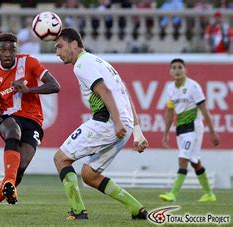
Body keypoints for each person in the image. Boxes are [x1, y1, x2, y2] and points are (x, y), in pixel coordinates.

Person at [53, 28, 149, 220]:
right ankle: (137, 210)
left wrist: (116, 122)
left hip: (107, 122)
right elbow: (125, 96)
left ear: (74, 44)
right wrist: (137, 132)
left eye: (60, 46)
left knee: (61, 158)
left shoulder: (81, 64)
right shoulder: (101, 62)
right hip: (124, 126)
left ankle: (78, 211)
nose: (57, 52)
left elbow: (105, 91)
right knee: (90, 175)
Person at [0, 32, 60, 216]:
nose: (8, 54)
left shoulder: (29, 62)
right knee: (13, 131)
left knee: (20, 169)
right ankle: (9, 181)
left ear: (16, 50)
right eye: (3, 50)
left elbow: (55, 85)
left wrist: (29, 90)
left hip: (33, 121)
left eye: (11, 50)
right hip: (8, 118)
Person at [159, 58, 220, 203]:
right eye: (174, 67)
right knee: (195, 161)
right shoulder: (170, 88)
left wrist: (213, 132)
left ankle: (172, 194)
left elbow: (205, 111)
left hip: (193, 128)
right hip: (181, 129)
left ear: (185, 70)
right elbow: (169, 112)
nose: (177, 70)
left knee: (183, 159)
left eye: (180, 67)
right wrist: (166, 133)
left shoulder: (193, 87)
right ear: (170, 71)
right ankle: (209, 194)